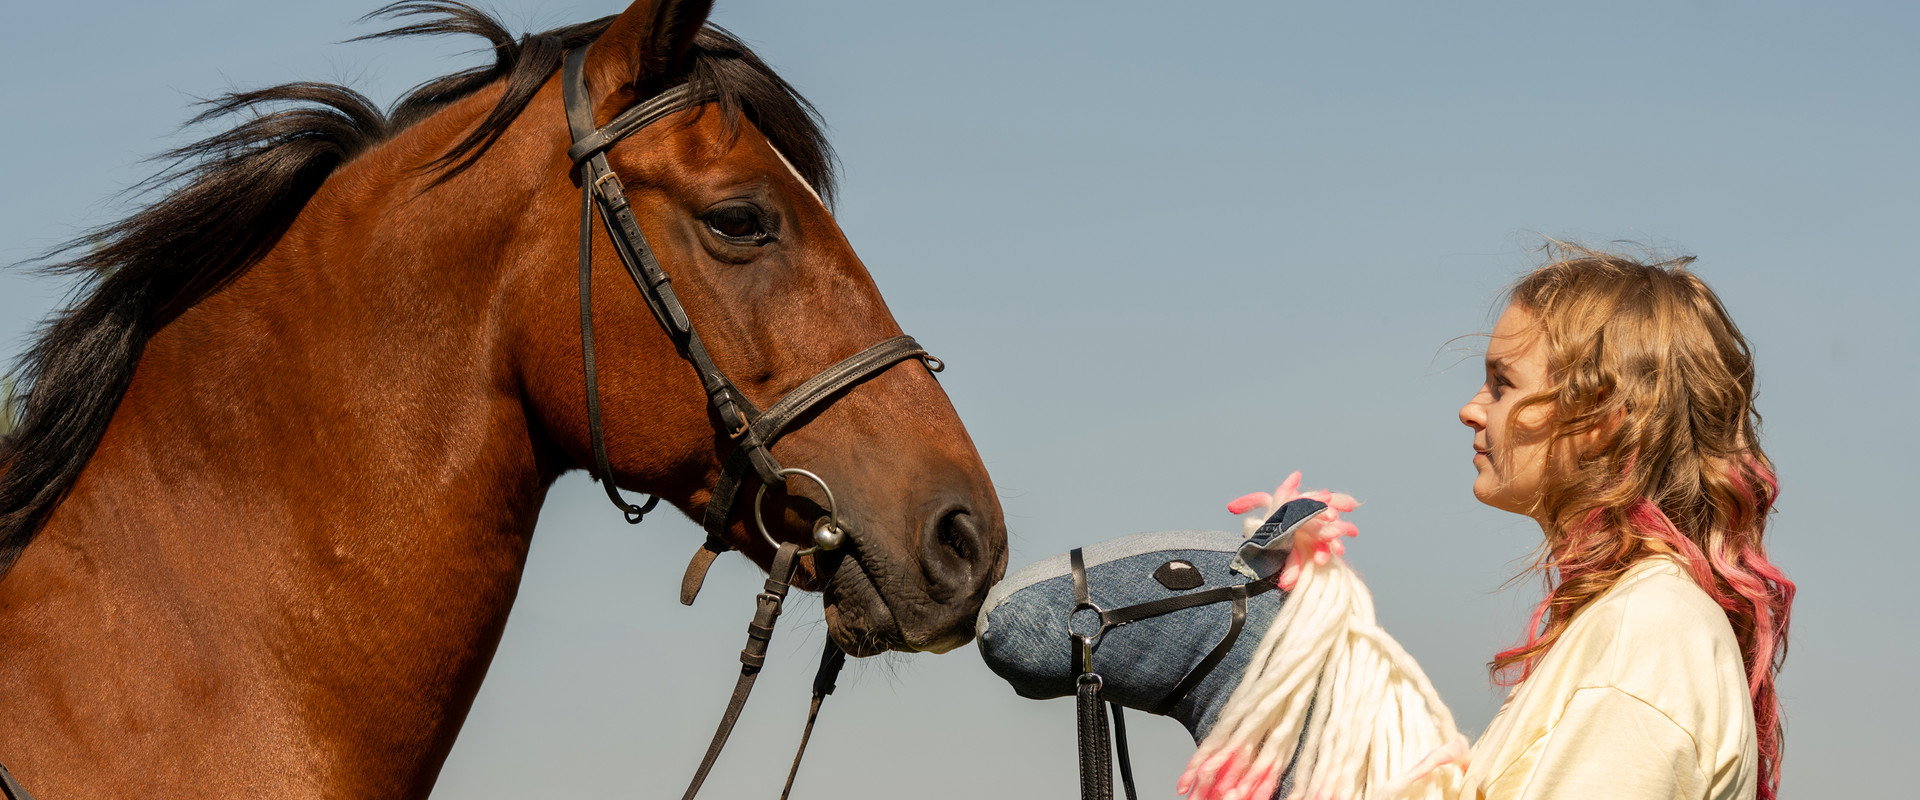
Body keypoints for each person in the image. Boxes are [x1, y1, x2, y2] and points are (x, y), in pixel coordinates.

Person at [1456, 247, 1795, 799]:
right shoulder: (1635, 620)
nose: (1472, 409)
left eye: (1502, 384)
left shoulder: (1645, 631)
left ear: (1601, 418)